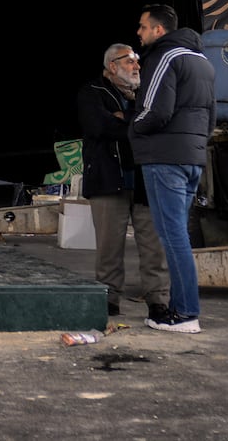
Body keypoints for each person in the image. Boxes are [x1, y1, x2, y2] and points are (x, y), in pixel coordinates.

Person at [130, 4, 216, 334]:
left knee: (173, 237)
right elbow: (211, 116)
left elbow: (154, 110)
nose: (139, 33)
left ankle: (184, 313)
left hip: (164, 158)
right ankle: (183, 311)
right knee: (178, 237)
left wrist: (133, 129)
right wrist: (193, 146)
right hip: (192, 157)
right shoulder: (203, 61)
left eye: (142, 27)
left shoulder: (163, 58)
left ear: (158, 30)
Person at [78, 42, 169, 317]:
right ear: (112, 66)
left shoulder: (147, 92)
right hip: (108, 180)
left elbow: (160, 121)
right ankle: (109, 299)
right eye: (129, 60)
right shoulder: (91, 92)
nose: (136, 66)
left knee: (155, 247)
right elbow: (99, 126)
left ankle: (159, 300)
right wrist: (137, 124)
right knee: (109, 248)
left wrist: (123, 118)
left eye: (137, 60)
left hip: (145, 179)